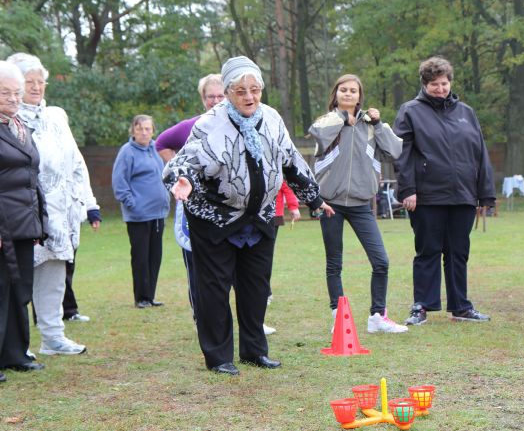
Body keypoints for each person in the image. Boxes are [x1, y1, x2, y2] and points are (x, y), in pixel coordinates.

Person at [163, 56, 333, 376]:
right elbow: (180, 165)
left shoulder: (270, 118)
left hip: (259, 215)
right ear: (227, 93)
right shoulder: (210, 123)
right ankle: (218, 356)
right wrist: (182, 181)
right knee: (214, 288)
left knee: (256, 286)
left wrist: (315, 198)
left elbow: (291, 161)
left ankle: (254, 352)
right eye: (241, 91)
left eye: (255, 89)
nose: (249, 97)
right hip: (214, 217)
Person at [393, 56, 495, 325]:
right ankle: (422, 306)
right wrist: (407, 190)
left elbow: (480, 153)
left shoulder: (466, 113)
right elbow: (401, 154)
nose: (440, 89)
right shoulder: (410, 111)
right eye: (434, 84)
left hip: (463, 195)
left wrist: (485, 193)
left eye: (444, 83)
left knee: (458, 251)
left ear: (450, 82)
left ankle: (461, 305)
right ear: (424, 84)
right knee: (428, 251)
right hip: (427, 196)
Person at [9, 53, 95, 356]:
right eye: (28, 82)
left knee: (55, 278)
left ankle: (53, 337)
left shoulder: (56, 115)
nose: (35, 87)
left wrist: (89, 202)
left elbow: (75, 161)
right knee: (16, 282)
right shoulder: (8, 118)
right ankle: (16, 346)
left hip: (58, 215)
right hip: (21, 212)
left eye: (39, 81)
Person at [309, 74, 407, 334]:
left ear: (360, 96)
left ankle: (377, 316)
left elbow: (395, 151)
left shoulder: (371, 126)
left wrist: (380, 122)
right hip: (330, 203)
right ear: (336, 93)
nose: (349, 94)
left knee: (381, 261)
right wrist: (342, 118)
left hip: (362, 203)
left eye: (353, 90)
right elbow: (317, 135)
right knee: (334, 263)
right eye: (344, 90)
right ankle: (337, 317)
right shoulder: (327, 121)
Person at [156, 74, 225, 321]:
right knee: (197, 266)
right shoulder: (191, 126)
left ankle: (249, 318)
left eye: (221, 95)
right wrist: (180, 173)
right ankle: (201, 318)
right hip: (196, 208)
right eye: (211, 96)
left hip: (229, 209)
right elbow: (161, 143)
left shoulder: (241, 125)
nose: (216, 101)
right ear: (202, 99)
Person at [0, 60, 48, 381]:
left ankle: (16, 354)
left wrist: (39, 221)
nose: (14, 98)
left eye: (17, 92)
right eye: (5, 92)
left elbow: (33, 178)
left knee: (19, 288)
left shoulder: (20, 127)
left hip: (23, 222)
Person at [112, 115, 170, 309]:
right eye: (140, 129)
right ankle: (141, 298)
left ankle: (151, 296)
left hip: (158, 213)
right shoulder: (127, 152)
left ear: (153, 130)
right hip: (138, 215)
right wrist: (132, 204)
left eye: (148, 129)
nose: (144, 132)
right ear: (133, 131)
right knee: (140, 257)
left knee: (155, 257)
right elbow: (119, 183)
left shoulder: (157, 148)